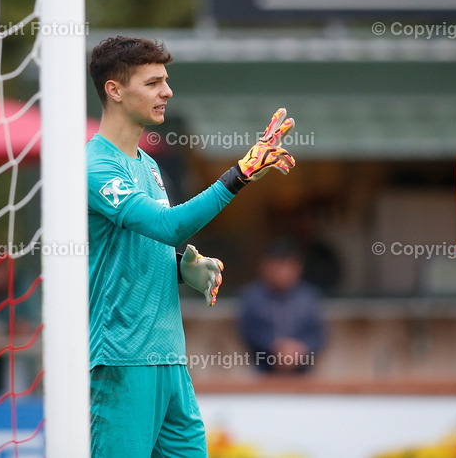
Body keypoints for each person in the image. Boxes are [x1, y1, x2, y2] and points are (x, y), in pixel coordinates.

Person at [87, 36, 296, 457]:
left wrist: (182, 266)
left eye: (166, 81)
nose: (167, 91)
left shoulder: (147, 164)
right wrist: (240, 173)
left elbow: (148, 243)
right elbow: (167, 225)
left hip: (171, 361)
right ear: (115, 90)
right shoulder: (95, 167)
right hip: (124, 362)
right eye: (153, 83)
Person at [238, 241, 324, 375]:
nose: (283, 272)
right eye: (277, 265)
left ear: (298, 268)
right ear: (265, 267)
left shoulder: (308, 296)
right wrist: (275, 347)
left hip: (303, 374)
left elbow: (318, 334)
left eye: (288, 265)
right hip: (263, 373)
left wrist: (300, 349)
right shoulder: (253, 297)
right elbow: (248, 331)